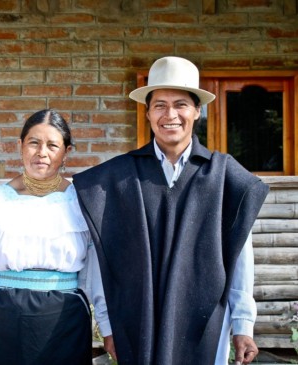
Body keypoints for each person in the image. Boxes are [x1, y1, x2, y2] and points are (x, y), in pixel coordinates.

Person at [73, 57, 269, 365]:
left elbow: (240, 255)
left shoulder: (223, 176)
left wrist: (243, 325)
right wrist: (108, 326)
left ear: (196, 111)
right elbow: (102, 260)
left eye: (180, 104)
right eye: (160, 105)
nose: (170, 115)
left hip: (206, 327)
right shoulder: (118, 180)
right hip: (137, 327)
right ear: (148, 112)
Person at [0, 109, 113, 365]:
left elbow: (97, 274)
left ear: (66, 152)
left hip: (64, 321)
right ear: (20, 146)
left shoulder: (82, 202)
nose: (42, 152)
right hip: (1, 319)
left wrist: (107, 329)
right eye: (34, 142)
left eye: (52, 145)